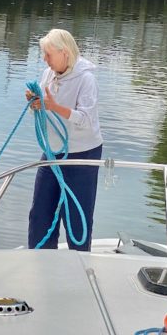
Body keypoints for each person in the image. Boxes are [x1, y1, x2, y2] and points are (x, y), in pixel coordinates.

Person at [25, 29, 103, 251]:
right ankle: (40, 261)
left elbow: (86, 119)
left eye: (48, 54)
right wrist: (36, 104)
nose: (44, 59)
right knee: (40, 213)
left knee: (77, 217)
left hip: (83, 154)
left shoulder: (86, 79)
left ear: (65, 53)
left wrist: (54, 107)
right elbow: (43, 107)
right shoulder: (48, 74)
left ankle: (78, 264)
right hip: (53, 151)